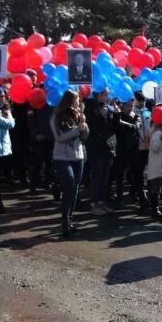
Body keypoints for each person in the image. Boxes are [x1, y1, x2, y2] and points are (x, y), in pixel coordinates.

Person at [50, 90, 89, 236]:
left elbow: (85, 136)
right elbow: (59, 138)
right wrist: (76, 131)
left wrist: (84, 125)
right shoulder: (56, 117)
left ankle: (69, 219)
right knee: (69, 184)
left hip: (78, 156)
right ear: (69, 100)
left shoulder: (77, 115)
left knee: (75, 189)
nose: (78, 102)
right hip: (62, 157)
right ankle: (64, 220)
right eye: (76, 100)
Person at [84, 91, 117, 216]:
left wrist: (114, 114)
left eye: (106, 95)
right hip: (95, 147)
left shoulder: (107, 107)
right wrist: (101, 116)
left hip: (107, 147)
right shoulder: (90, 107)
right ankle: (94, 203)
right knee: (97, 176)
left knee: (105, 176)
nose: (105, 97)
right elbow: (92, 128)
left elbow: (111, 127)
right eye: (103, 95)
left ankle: (102, 202)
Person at [112, 98, 140, 208]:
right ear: (123, 106)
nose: (130, 108)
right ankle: (119, 198)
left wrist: (121, 122)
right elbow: (115, 126)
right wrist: (118, 118)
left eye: (131, 106)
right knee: (120, 176)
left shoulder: (135, 116)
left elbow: (135, 127)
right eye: (128, 106)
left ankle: (135, 195)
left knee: (135, 174)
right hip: (121, 149)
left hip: (133, 149)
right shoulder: (118, 115)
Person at [28, 92, 56, 198]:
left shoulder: (53, 102)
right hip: (38, 138)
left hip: (50, 137)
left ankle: (47, 183)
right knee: (38, 162)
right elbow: (31, 120)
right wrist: (36, 134)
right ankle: (33, 184)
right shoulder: (34, 101)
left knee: (50, 162)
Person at [132, 92, 151, 209]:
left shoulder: (148, 112)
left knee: (144, 171)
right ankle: (141, 195)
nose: (142, 102)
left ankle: (133, 191)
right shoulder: (133, 112)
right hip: (137, 147)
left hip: (147, 147)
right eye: (140, 100)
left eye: (143, 100)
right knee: (138, 172)